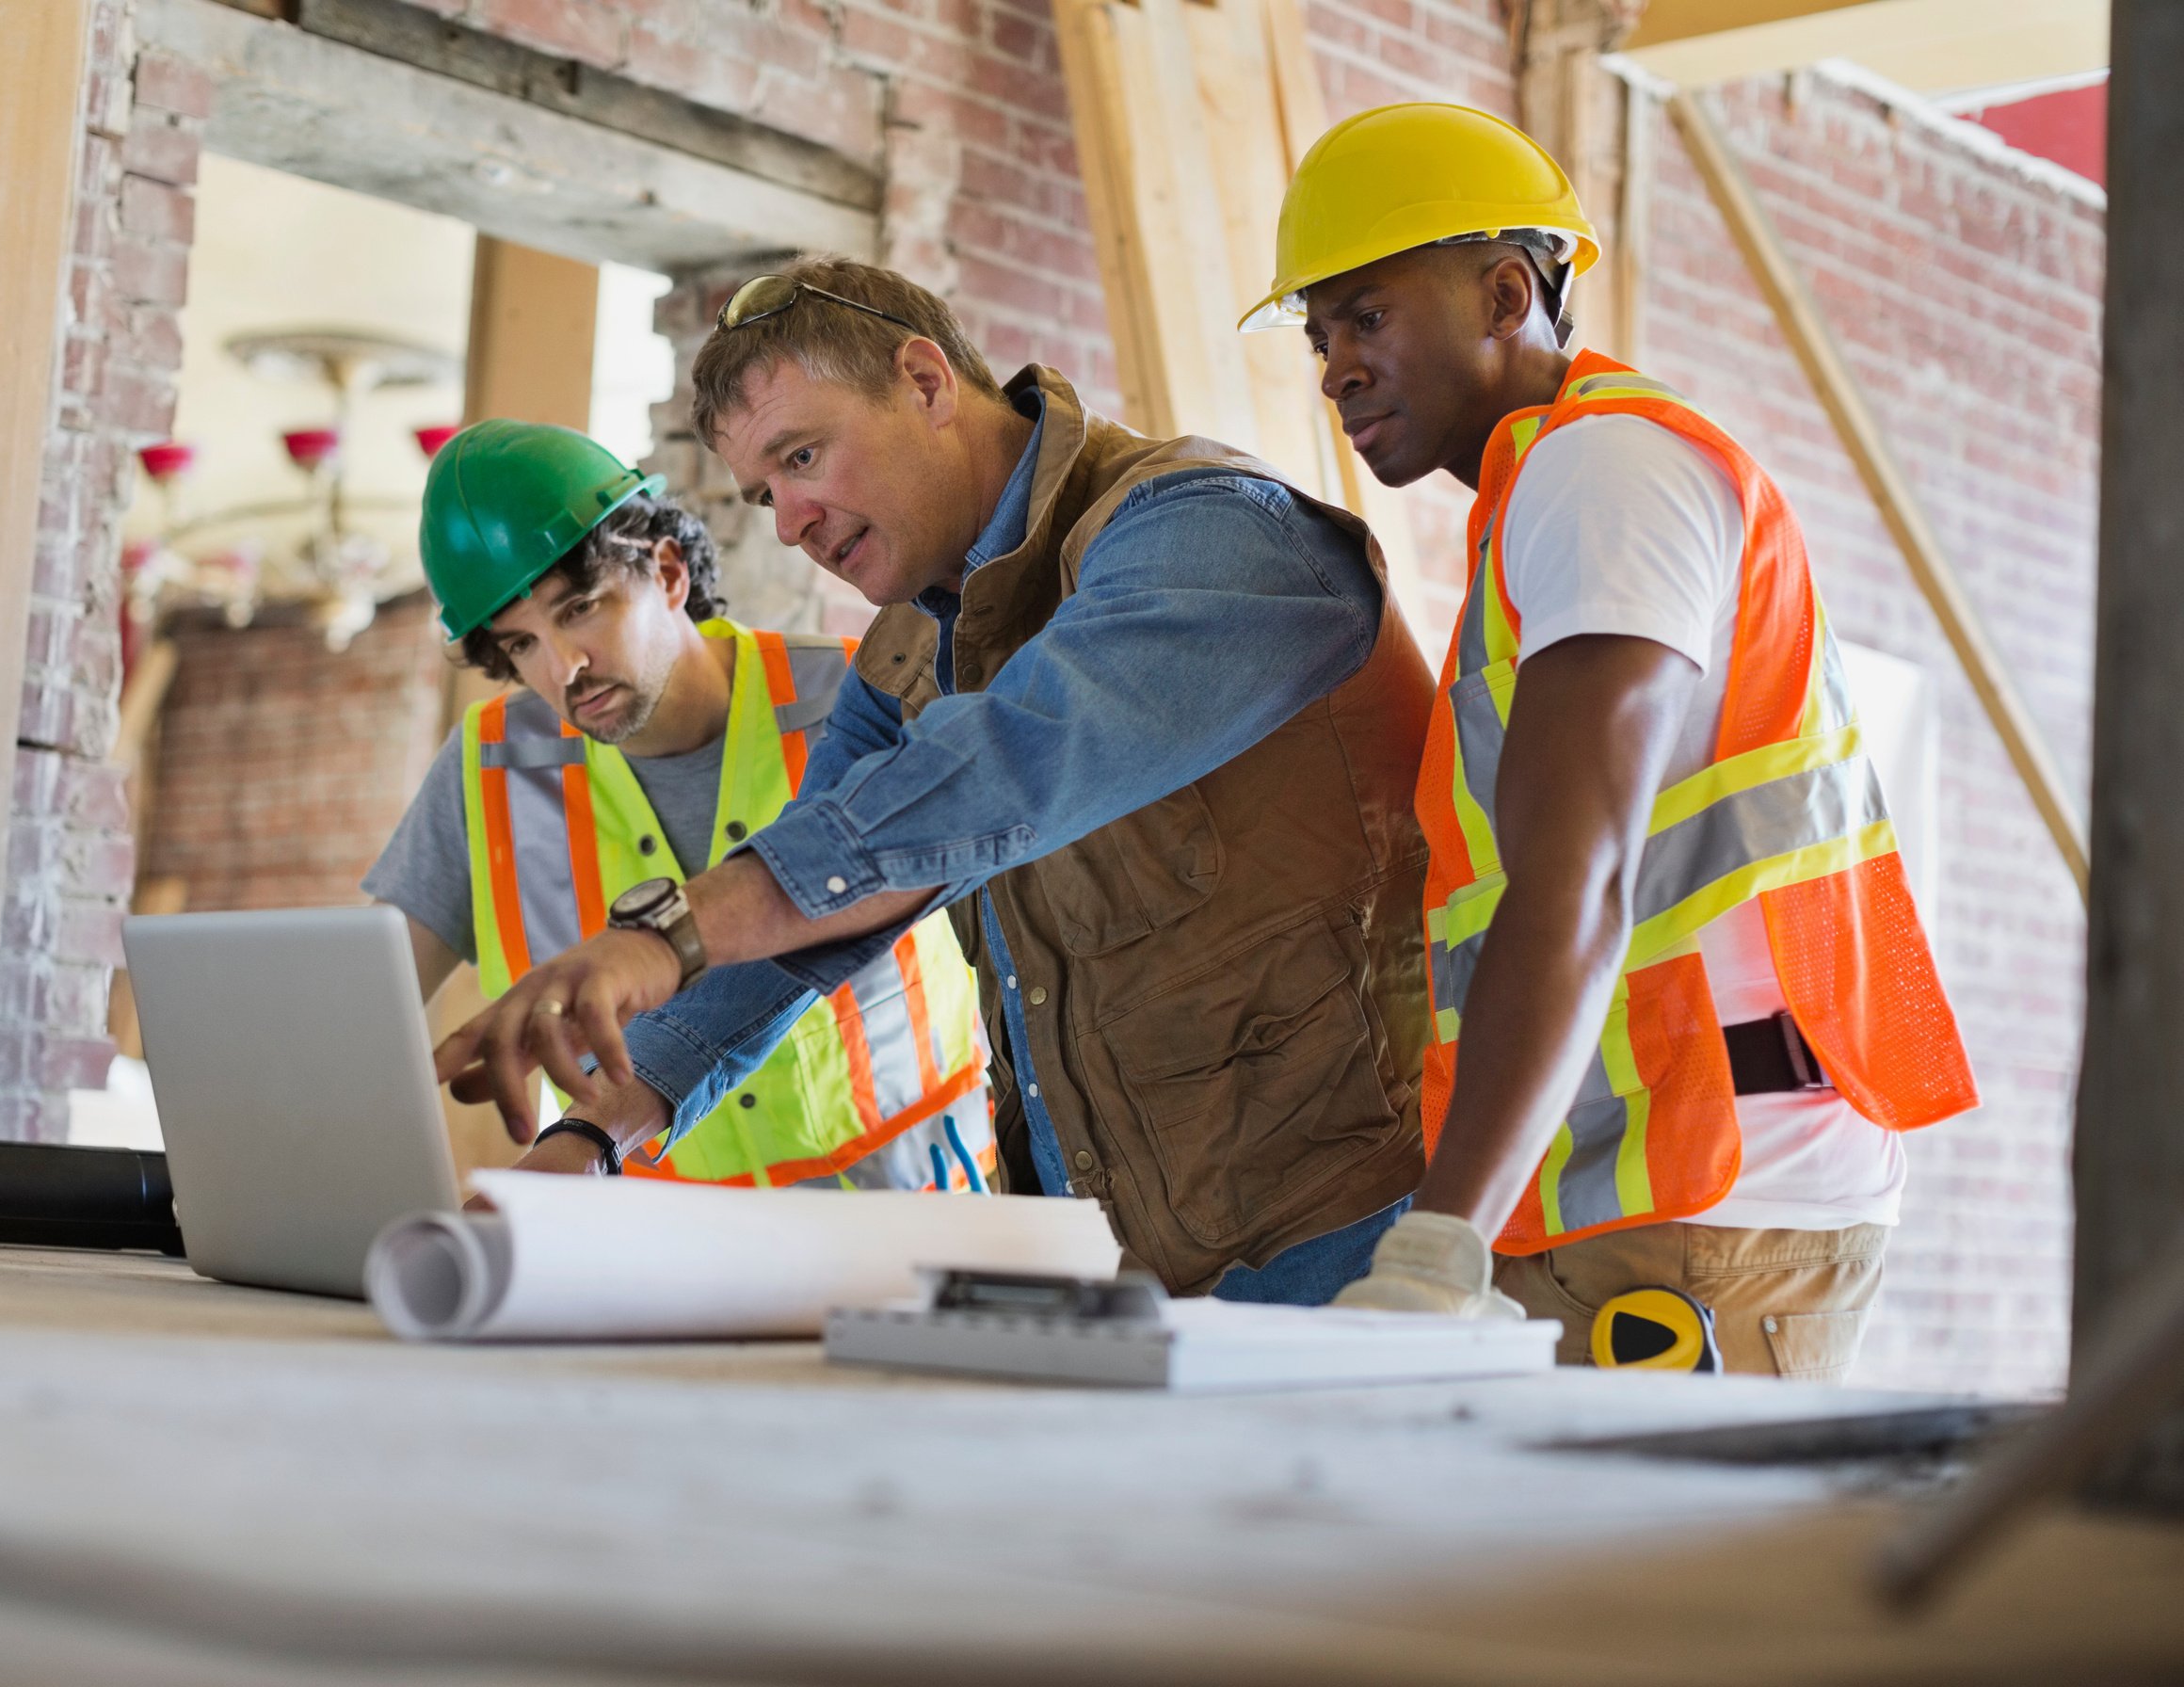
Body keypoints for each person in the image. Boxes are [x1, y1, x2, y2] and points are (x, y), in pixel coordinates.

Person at [436, 257, 1438, 1306]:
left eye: (803, 454)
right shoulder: (911, 645)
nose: (788, 519)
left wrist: (665, 932)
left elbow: (1005, 767)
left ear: (924, 380)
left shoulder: (1212, 534)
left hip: (1359, 1239)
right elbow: (812, 908)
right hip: (1120, 1265)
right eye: (763, 491)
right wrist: (592, 1135)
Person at [1246, 103, 1977, 1377]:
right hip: (1652, 1210)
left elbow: (1572, 883)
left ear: (1506, 292)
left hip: (1706, 1220)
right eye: (1318, 335)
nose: (1336, 368)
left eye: (1367, 315)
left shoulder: (1605, 478)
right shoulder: (1553, 487)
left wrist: (1438, 1249)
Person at [367, 421, 991, 1190]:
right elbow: (360, 1001)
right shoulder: (487, 768)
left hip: (911, 1214)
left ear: (666, 572)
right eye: (522, 644)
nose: (565, 669)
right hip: (653, 1256)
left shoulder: (857, 698)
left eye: (579, 609)